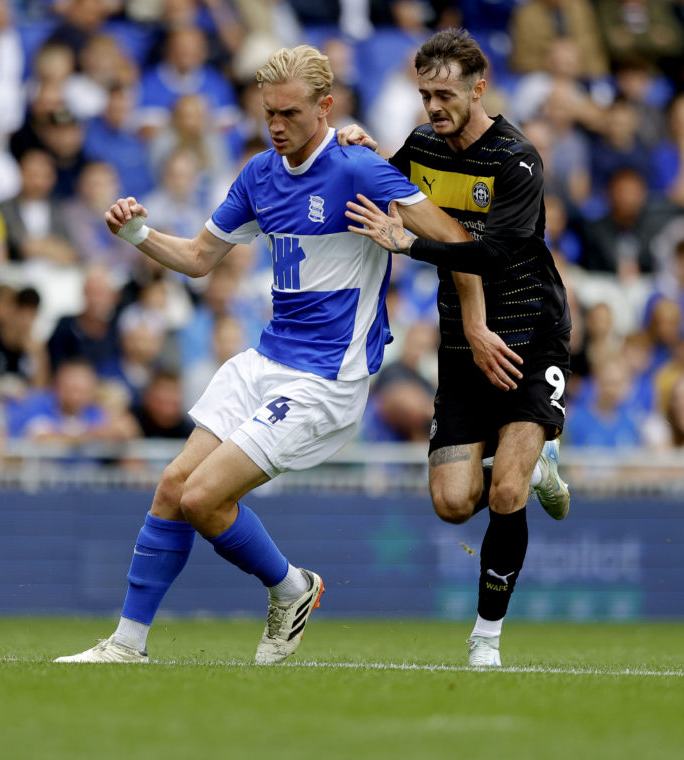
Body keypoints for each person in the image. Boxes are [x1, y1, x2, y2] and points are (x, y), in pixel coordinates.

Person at [55, 44, 486, 666]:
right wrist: (138, 235)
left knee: (204, 498)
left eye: (288, 113)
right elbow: (200, 260)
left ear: (326, 107)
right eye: (268, 114)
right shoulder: (260, 173)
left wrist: (421, 260)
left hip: (325, 378)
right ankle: (128, 644)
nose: (277, 125)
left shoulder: (361, 169)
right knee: (174, 485)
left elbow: (459, 241)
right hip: (265, 362)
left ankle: (291, 588)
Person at [340, 28, 572, 667]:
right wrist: (362, 153)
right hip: (458, 336)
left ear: (479, 84)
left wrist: (410, 246)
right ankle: (522, 463)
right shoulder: (421, 146)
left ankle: (486, 640)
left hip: (527, 329)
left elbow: (494, 254)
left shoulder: (517, 159)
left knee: (506, 497)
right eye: (424, 95)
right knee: (450, 504)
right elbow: (394, 191)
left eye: (444, 95)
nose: (434, 109)